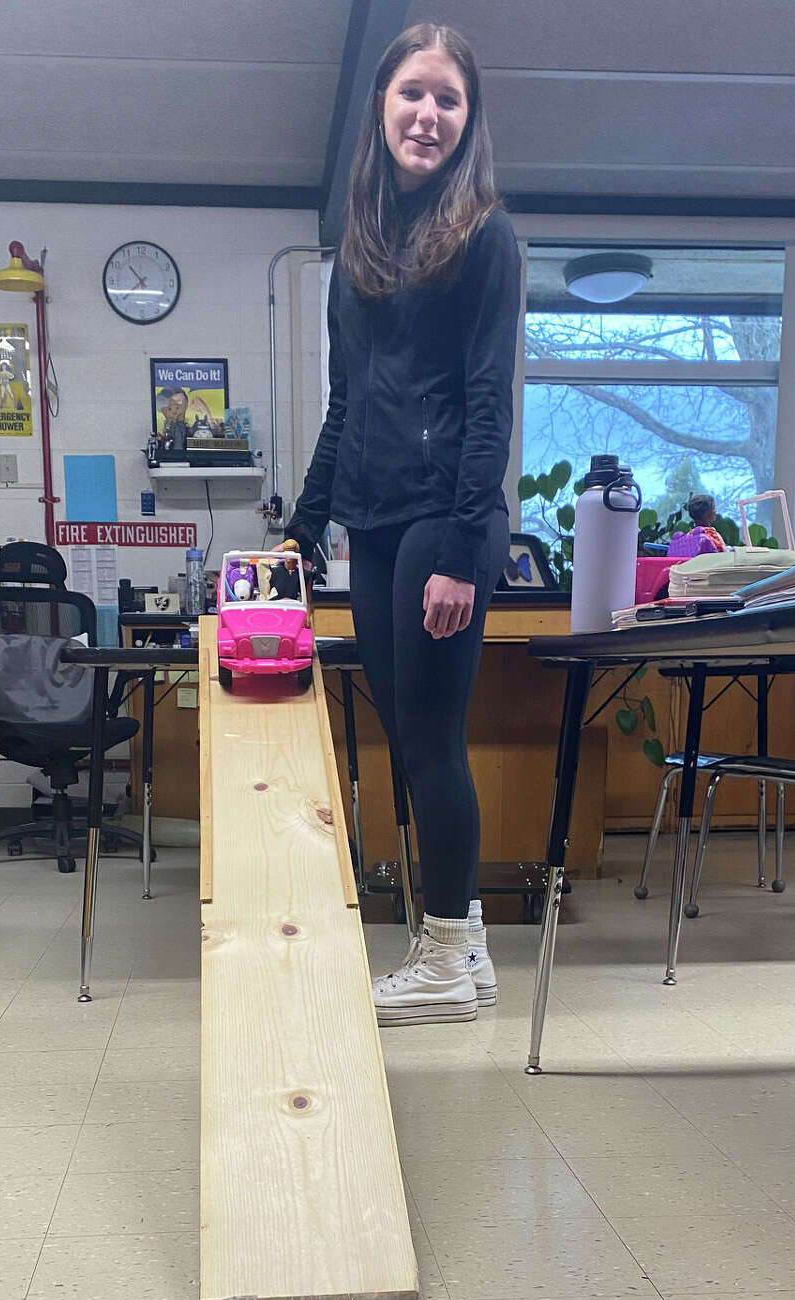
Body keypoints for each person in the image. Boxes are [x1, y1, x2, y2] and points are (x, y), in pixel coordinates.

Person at [285, 21, 517, 1026]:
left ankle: (445, 957)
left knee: (430, 739)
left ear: (468, 121)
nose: (428, 114)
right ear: (381, 107)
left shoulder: (485, 238)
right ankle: (466, 954)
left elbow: (488, 403)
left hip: (443, 523)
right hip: (372, 524)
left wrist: (462, 550)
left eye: (448, 99)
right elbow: (344, 407)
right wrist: (300, 535)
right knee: (406, 736)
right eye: (412, 94)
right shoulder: (358, 256)